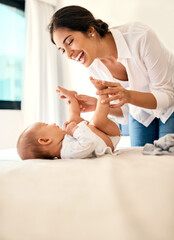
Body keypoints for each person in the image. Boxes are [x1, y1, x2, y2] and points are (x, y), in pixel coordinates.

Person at [48, 5, 174, 147]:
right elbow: (124, 110)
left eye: (69, 42)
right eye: (63, 50)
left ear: (90, 30)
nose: (69, 55)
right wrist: (98, 105)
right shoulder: (92, 63)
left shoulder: (140, 36)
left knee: (167, 157)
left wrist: (129, 96)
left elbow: (167, 95)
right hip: (140, 109)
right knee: (140, 159)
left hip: (171, 102)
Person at [17, 78, 121, 160]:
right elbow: (89, 143)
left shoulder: (64, 143)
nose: (52, 123)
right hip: (108, 138)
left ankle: (72, 98)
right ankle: (103, 91)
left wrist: (72, 130)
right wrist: (74, 130)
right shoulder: (67, 152)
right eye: (46, 125)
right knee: (98, 120)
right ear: (45, 140)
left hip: (99, 133)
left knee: (73, 119)